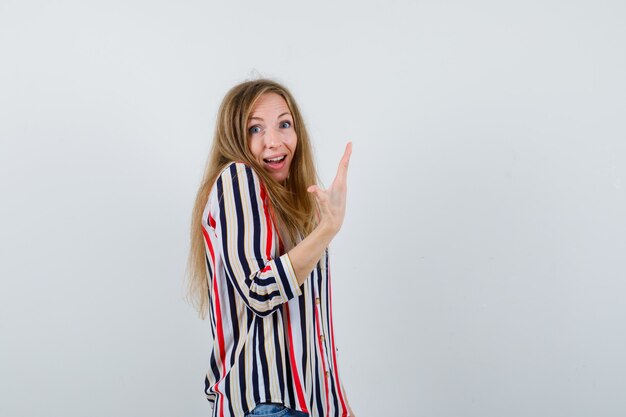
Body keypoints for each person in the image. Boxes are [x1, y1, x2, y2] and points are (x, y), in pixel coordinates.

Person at [187, 79, 355, 417]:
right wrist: (328, 229)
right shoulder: (237, 178)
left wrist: (337, 403)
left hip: (307, 404)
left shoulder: (286, 208)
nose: (274, 141)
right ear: (234, 137)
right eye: (255, 129)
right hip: (267, 404)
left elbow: (310, 325)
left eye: (284, 124)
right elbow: (260, 290)